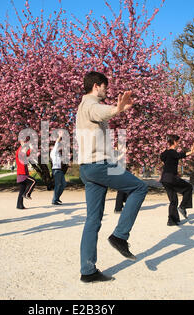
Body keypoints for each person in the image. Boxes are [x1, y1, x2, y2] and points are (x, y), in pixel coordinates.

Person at [76, 71, 149, 283]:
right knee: (139, 188)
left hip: (88, 169)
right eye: (105, 87)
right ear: (97, 86)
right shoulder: (89, 104)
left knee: (92, 220)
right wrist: (116, 109)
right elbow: (98, 111)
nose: (107, 91)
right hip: (98, 166)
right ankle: (119, 236)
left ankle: (87, 271)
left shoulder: (82, 107)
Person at [159, 134, 194, 226]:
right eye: (178, 142)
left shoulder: (164, 153)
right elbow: (180, 155)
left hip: (164, 179)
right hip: (171, 178)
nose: (179, 143)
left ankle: (171, 221)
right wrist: (190, 152)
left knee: (173, 200)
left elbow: (164, 159)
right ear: (174, 142)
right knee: (188, 187)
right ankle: (183, 206)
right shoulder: (172, 152)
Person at [16, 139, 37, 209]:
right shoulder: (20, 151)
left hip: (22, 173)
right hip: (22, 174)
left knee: (22, 190)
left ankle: (19, 205)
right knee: (33, 181)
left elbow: (28, 153)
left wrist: (31, 148)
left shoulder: (22, 151)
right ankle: (27, 194)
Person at [50, 131, 67, 205]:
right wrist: (60, 136)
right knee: (58, 185)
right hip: (56, 170)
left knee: (63, 184)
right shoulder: (54, 152)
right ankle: (54, 200)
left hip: (59, 170)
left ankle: (57, 198)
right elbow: (57, 143)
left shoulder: (57, 153)